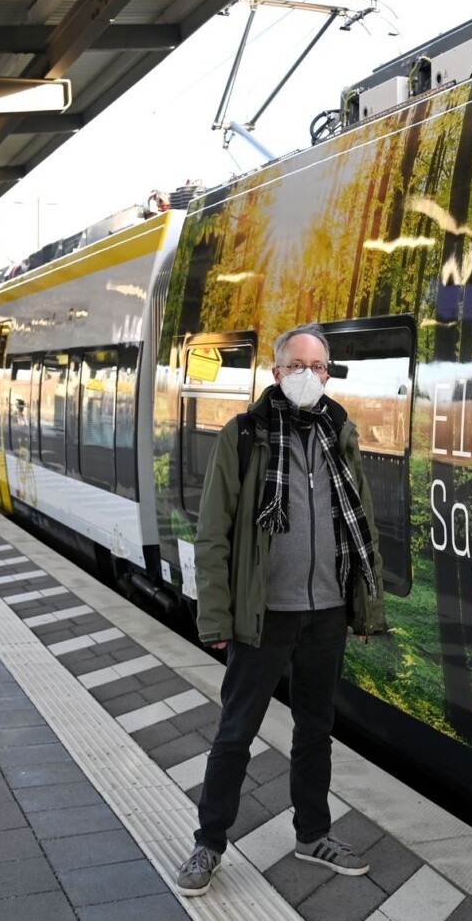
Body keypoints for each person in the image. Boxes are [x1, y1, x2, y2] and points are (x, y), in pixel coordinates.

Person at [175, 322, 386, 897]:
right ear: (275, 372)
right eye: (296, 366)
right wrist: (216, 619)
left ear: (326, 374)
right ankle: (208, 843)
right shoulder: (244, 436)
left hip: (326, 612)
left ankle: (312, 835)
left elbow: (358, 522)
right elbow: (213, 533)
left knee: (315, 729)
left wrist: (362, 606)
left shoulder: (338, 431)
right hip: (265, 615)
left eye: (318, 368)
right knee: (235, 732)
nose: (308, 376)